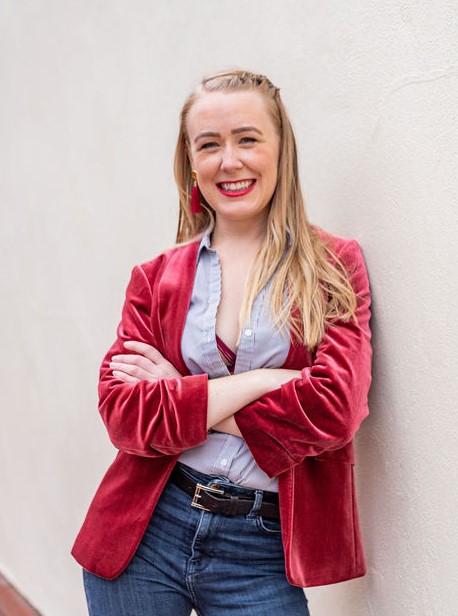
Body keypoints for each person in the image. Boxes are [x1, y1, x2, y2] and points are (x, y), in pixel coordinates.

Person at [72, 69, 372, 616]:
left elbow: (335, 411)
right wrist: (259, 382)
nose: (228, 161)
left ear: (282, 149)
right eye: (208, 144)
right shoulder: (154, 277)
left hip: (261, 547)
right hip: (146, 532)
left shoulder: (333, 267)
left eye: (247, 138)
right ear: (190, 162)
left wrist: (184, 394)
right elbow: (122, 414)